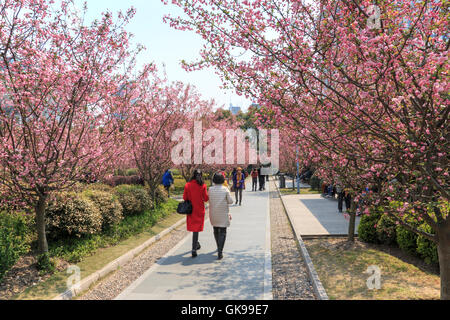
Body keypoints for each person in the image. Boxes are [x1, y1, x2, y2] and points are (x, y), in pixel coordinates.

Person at [183, 169, 209, 258]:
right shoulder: (203, 185)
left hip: (191, 210)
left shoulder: (187, 185)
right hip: (199, 209)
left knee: (194, 229)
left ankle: (195, 245)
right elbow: (206, 198)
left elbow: (184, 197)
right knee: (196, 229)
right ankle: (194, 248)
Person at [208, 172, 234, 260]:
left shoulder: (210, 189)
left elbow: (208, 199)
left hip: (213, 213)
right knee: (223, 231)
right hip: (223, 213)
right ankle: (220, 251)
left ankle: (218, 246)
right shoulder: (225, 189)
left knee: (215, 230)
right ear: (223, 180)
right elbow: (230, 201)